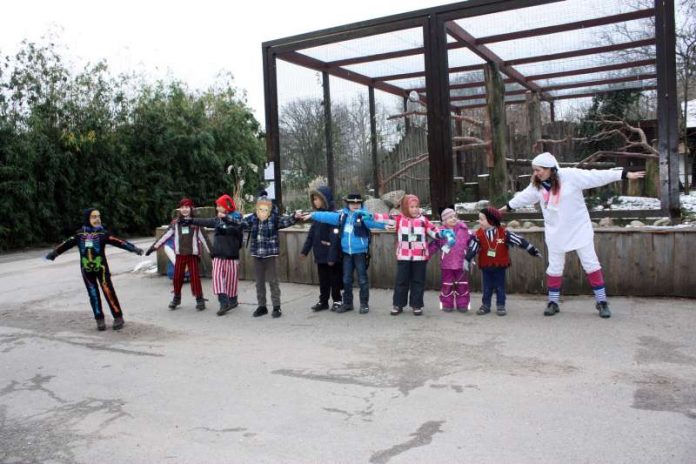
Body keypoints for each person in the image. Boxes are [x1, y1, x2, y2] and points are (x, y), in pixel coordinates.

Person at [501, 152, 645, 318]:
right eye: (534, 170)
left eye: (538, 170)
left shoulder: (570, 176)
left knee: (591, 263)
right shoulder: (537, 185)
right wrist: (507, 207)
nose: (535, 173)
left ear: (550, 169)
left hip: (578, 229)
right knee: (554, 267)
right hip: (555, 232)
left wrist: (624, 174)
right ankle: (553, 302)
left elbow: (596, 176)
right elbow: (525, 196)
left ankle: (602, 302)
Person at [45, 208, 143, 331]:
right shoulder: (79, 234)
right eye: (94, 217)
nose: (97, 219)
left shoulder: (103, 234)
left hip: (101, 268)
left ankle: (118, 317)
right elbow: (66, 244)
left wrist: (133, 248)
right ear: (87, 219)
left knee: (108, 291)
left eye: (99, 216)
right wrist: (54, 253)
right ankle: (99, 320)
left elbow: (118, 241)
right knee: (93, 294)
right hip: (86, 270)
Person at [304, 193, 388, 314]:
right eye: (352, 203)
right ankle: (348, 303)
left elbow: (376, 222)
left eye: (358, 203)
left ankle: (364, 304)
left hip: (360, 253)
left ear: (361, 204)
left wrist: (388, 225)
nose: (355, 205)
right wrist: (313, 214)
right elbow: (327, 216)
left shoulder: (364, 216)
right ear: (348, 204)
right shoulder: (342, 215)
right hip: (346, 253)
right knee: (346, 279)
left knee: (362, 279)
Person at [228, 191, 301, 318]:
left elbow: (286, 221)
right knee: (259, 281)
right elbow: (240, 223)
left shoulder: (274, 219)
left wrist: (295, 216)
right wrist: (226, 218)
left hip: (270, 255)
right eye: (260, 208)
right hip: (257, 254)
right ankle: (262, 306)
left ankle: (276, 307)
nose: (263, 211)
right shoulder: (253, 218)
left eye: (266, 208)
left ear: (270, 209)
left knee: (273, 281)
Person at [465, 207, 542, 316]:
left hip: (500, 266)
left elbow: (519, 240)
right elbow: (473, 248)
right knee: (487, 287)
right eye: (479, 219)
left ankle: (501, 305)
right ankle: (485, 305)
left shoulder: (504, 233)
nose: (479, 222)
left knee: (500, 286)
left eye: (482, 219)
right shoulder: (478, 235)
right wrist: (467, 259)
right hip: (486, 266)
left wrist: (531, 249)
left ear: (491, 220)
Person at [146, 198, 210, 311]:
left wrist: (213, 253)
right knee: (177, 278)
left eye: (187, 207)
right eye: (182, 207)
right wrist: (153, 247)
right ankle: (176, 298)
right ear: (179, 209)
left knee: (195, 278)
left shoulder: (196, 223)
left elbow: (204, 239)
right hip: (180, 255)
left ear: (191, 208)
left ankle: (199, 299)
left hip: (192, 255)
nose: (185, 209)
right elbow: (165, 236)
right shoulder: (176, 223)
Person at [188, 194, 243, 316]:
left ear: (226, 206)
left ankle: (233, 300)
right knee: (217, 279)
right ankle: (224, 303)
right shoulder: (218, 219)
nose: (217, 208)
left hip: (231, 255)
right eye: (217, 206)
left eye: (219, 206)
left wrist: (226, 219)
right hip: (218, 254)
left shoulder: (237, 217)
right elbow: (207, 221)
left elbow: (237, 227)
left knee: (231, 281)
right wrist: (191, 220)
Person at [387, 194, 442, 316]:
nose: (415, 209)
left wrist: (444, 233)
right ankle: (398, 304)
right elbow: (384, 218)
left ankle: (416, 305)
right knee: (401, 281)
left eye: (417, 206)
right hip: (403, 256)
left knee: (418, 281)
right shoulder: (399, 219)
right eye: (411, 207)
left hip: (420, 257)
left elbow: (434, 231)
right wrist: (369, 217)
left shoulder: (423, 221)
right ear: (406, 207)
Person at [300, 186, 342, 312]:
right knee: (323, 280)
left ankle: (337, 300)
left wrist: (332, 255)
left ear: (325, 199)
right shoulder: (317, 218)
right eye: (313, 199)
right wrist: (304, 251)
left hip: (331, 255)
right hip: (320, 255)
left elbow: (335, 237)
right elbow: (311, 235)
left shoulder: (332, 216)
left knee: (335, 279)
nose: (315, 202)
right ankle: (323, 301)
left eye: (317, 199)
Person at [428, 207, 471, 312]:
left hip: (461, 263)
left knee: (462, 284)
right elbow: (434, 245)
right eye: (450, 217)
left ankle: (463, 304)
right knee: (447, 285)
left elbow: (472, 242)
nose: (453, 219)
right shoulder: (442, 233)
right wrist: (426, 254)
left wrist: (471, 254)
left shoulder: (463, 230)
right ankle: (447, 304)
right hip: (447, 264)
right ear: (444, 221)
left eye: (454, 216)